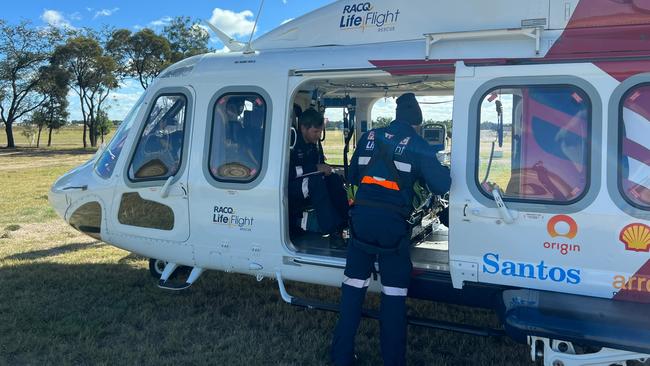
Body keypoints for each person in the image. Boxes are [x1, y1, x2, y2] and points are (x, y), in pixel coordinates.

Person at [331, 93, 451, 366]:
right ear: (417, 123)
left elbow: (352, 177)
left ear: (396, 116)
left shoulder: (370, 137)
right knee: (393, 296)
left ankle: (341, 357)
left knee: (352, 291)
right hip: (393, 230)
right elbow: (442, 185)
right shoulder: (419, 145)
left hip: (360, 222)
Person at [289, 108, 349, 249]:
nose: (318, 136)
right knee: (315, 182)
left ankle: (345, 223)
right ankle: (333, 232)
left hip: (307, 182)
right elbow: (288, 173)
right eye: (315, 132)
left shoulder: (313, 145)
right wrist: (316, 168)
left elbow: (318, 165)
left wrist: (324, 169)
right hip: (290, 187)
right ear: (303, 128)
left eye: (320, 132)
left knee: (334, 179)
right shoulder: (292, 143)